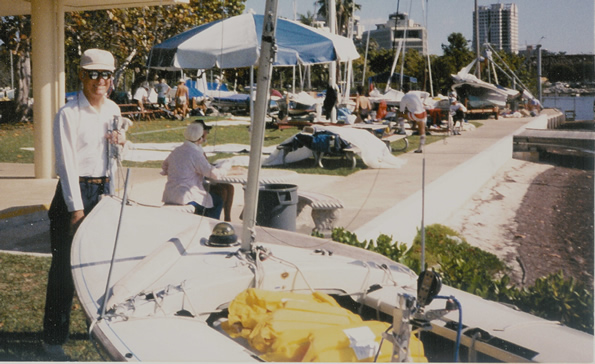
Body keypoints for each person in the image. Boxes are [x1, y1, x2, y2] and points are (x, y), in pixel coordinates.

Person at [43, 48, 127, 359]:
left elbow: (115, 158)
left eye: (105, 74)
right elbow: (66, 165)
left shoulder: (113, 109)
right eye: (93, 74)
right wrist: (76, 210)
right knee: (64, 271)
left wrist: (122, 144)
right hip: (74, 194)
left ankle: (100, 328)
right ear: (81, 75)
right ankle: (52, 339)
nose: (100, 80)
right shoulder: (68, 114)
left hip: (104, 191)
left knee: (101, 268)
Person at [161, 122, 231, 219]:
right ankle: (209, 227)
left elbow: (164, 167)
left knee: (210, 198)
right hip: (186, 196)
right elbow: (214, 174)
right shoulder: (195, 154)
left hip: (170, 194)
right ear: (200, 138)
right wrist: (225, 167)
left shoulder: (176, 150)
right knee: (217, 201)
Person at [194, 119, 235, 222]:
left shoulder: (198, 148)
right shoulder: (195, 150)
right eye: (206, 132)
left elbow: (205, 165)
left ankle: (227, 219)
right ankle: (214, 220)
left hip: (202, 178)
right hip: (197, 184)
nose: (207, 134)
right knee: (222, 191)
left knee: (229, 187)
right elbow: (208, 171)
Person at [399, 85, 428, 153]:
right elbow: (427, 94)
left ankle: (402, 130)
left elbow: (401, 110)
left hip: (416, 115)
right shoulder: (416, 92)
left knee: (400, 115)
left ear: (403, 91)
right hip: (423, 113)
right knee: (422, 131)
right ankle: (420, 148)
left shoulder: (404, 97)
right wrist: (424, 102)